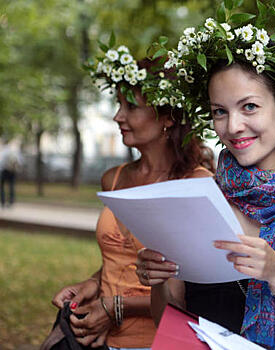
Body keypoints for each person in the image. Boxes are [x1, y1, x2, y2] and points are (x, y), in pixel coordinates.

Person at [135, 6, 275, 349]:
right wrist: (158, 280)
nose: (233, 127)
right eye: (220, 112)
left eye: (250, 107)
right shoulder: (203, 200)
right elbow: (169, 320)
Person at [51, 46, 213, 350]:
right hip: (101, 341)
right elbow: (120, 262)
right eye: (117, 104)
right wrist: (92, 284)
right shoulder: (113, 178)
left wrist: (116, 307)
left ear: (167, 116)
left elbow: (196, 289)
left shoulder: (195, 184)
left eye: (131, 107)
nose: (117, 116)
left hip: (158, 342)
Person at [0, 142, 22, 208]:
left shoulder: (3, 152)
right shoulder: (14, 151)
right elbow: (19, 162)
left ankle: (3, 201)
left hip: (4, 171)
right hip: (12, 171)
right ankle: (11, 201)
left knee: (2, 187)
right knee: (11, 186)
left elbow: (1, 163)